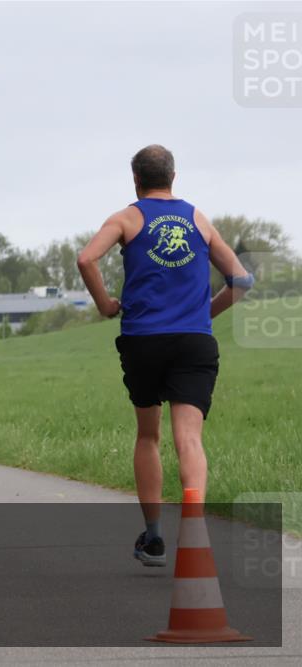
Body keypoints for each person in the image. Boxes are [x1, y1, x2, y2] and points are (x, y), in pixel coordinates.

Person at [77, 145, 252, 567]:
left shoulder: (126, 217)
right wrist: (204, 312)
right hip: (194, 340)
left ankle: (154, 539)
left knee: (149, 435)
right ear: (173, 176)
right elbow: (242, 280)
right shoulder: (197, 218)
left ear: (135, 179)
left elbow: (86, 258)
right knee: (189, 437)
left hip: (144, 340)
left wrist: (104, 305)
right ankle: (193, 529)